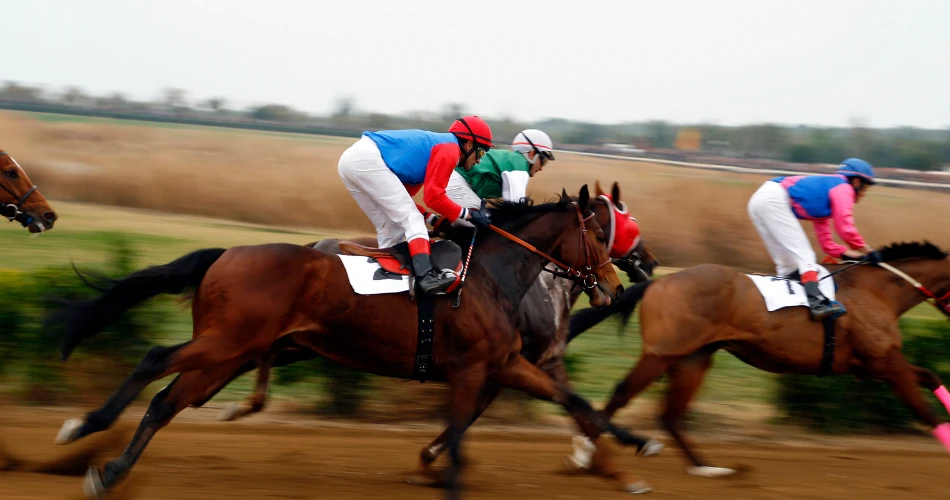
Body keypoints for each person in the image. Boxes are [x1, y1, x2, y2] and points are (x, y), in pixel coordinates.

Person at [337, 116, 493, 296]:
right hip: (366, 159)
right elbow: (434, 197)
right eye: (481, 153)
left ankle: (384, 276)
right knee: (411, 220)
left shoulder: (434, 151)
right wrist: (468, 214)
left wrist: (432, 218)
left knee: (391, 226)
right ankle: (425, 277)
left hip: (352, 161)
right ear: (468, 145)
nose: (479, 161)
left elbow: (404, 198)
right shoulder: (450, 150)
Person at [747, 158, 881, 320]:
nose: (864, 193)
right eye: (865, 187)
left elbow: (827, 244)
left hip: (760, 200)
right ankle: (817, 303)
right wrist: (869, 250)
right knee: (806, 257)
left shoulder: (825, 198)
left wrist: (852, 255)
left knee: (788, 265)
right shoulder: (843, 188)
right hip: (773, 199)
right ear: (856, 182)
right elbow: (846, 229)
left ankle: (786, 308)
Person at [445, 129, 556, 209]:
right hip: (457, 183)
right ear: (532, 154)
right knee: (486, 223)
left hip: (454, 181)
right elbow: (516, 205)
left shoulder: (512, 160)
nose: (541, 168)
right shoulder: (520, 167)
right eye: (544, 161)